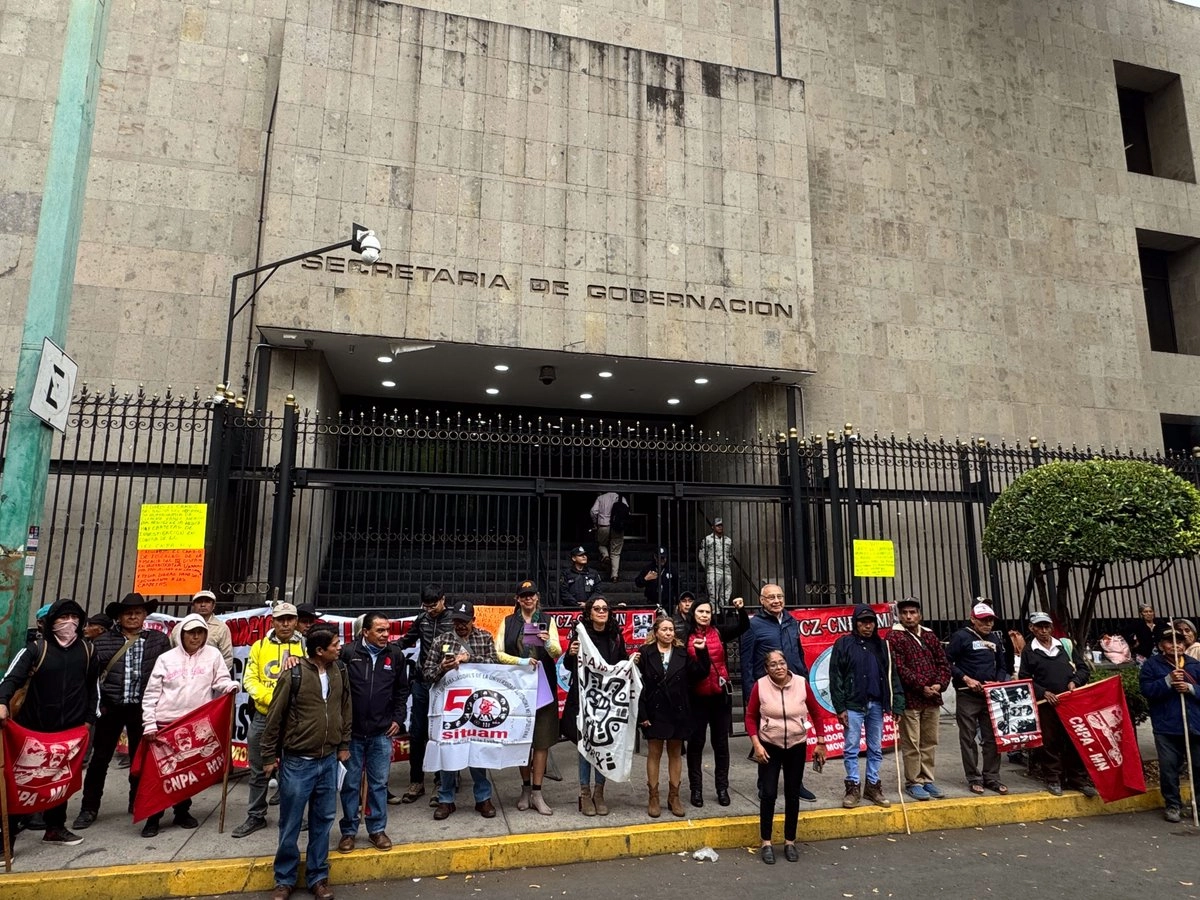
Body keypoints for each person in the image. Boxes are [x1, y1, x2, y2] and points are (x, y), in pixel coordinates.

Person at [261, 626, 351, 900]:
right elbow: (274, 717)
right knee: (289, 823)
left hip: (328, 762)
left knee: (322, 822)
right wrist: (267, 756)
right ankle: (284, 880)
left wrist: (344, 743)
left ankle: (318, 878)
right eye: (335, 644)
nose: (340, 647)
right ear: (320, 651)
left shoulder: (340, 671)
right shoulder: (293, 675)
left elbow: (345, 707)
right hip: (298, 763)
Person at [0, 598, 98, 849]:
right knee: (22, 784)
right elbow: (10, 679)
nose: (68, 623)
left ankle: (55, 828)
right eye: (62, 618)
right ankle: (5, 839)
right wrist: (1, 702)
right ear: (51, 622)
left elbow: (92, 688)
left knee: (60, 783)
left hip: (69, 732)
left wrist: (88, 720)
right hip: (33, 731)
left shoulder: (88, 650)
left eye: (74, 618)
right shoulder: (35, 649)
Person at [74, 591, 170, 831]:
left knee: (142, 758)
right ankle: (89, 807)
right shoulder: (102, 642)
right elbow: (91, 677)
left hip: (142, 708)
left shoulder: (158, 640)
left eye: (138, 612)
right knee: (100, 759)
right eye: (128, 613)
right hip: (110, 707)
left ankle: (137, 801)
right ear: (119, 617)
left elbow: (167, 674)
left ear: (145, 615)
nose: (133, 616)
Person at [140, 613, 240, 836]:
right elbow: (151, 693)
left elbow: (220, 680)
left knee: (186, 773)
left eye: (200, 633)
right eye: (191, 633)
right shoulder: (166, 658)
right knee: (159, 774)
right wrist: (149, 724)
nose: (196, 637)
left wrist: (230, 686)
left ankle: (182, 811)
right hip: (165, 724)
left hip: (194, 724)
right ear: (181, 634)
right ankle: (153, 817)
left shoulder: (213, 655)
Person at [746, 649, 829, 864]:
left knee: (792, 794)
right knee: (769, 793)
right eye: (772, 664)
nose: (778, 667)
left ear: (787, 664)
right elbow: (750, 717)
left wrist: (821, 741)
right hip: (768, 745)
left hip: (796, 745)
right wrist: (756, 744)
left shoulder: (801, 683)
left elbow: (817, 713)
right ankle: (766, 842)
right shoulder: (760, 686)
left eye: (781, 663)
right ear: (766, 669)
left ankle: (790, 841)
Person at [337, 611, 409, 853]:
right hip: (353, 734)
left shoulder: (395, 655)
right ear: (365, 632)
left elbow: (402, 691)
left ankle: (377, 830)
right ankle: (348, 831)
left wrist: (398, 719)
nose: (385, 635)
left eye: (387, 630)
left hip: (381, 733)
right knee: (350, 784)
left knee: (379, 784)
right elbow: (337, 690)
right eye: (379, 630)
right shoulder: (348, 653)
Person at [233, 602, 304, 838]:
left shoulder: (305, 645)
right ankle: (255, 815)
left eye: (289, 619)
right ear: (272, 621)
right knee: (258, 768)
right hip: (264, 714)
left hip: (294, 717)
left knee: (293, 769)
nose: (285, 624)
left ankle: (292, 815)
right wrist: (271, 700)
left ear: (295, 621)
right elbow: (250, 679)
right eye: (280, 619)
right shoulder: (259, 646)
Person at [424, 601, 500, 820]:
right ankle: (446, 799)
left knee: (477, 750)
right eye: (457, 622)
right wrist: (441, 668)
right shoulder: (442, 640)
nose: (460, 626)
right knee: (449, 750)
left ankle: (483, 798)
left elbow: (495, 665)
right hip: (451, 708)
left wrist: (470, 658)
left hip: (478, 705)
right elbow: (426, 674)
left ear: (473, 621)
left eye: (464, 622)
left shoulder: (484, 637)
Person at [496, 580, 562, 815]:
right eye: (523, 595)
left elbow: (557, 652)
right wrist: (520, 661)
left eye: (531, 595)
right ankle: (524, 789)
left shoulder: (547, 621)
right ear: (517, 599)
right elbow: (498, 652)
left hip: (542, 686)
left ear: (537, 597)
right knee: (521, 739)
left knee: (541, 741)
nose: (527, 599)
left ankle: (537, 792)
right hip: (517, 687)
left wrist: (546, 641)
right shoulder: (508, 622)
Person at [830, 604, 905, 809]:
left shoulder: (882, 646)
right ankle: (852, 786)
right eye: (863, 622)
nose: (867, 626)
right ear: (856, 623)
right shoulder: (844, 644)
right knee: (852, 747)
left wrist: (896, 704)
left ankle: (873, 785)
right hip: (853, 705)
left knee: (876, 748)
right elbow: (835, 677)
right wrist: (840, 708)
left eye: (870, 621)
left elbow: (893, 676)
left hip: (877, 704)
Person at [562, 595, 630, 816]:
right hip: (584, 699)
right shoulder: (581, 635)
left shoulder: (615, 636)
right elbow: (570, 666)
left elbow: (622, 661)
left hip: (606, 701)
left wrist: (631, 663)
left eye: (605, 608)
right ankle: (584, 793)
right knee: (585, 747)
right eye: (597, 608)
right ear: (589, 612)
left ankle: (599, 792)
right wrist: (570, 654)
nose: (601, 611)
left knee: (604, 744)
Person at [636, 615, 709, 818]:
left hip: (678, 711)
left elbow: (700, 672)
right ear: (656, 632)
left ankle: (674, 796)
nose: (668, 633)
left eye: (671, 630)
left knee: (675, 752)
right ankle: (653, 796)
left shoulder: (682, 653)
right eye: (664, 629)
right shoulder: (645, 653)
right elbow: (637, 685)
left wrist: (703, 652)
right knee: (654, 752)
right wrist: (642, 714)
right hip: (654, 710)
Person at [682, 595, 748, 808]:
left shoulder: (718, 632)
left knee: (721, 745)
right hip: (697, 698)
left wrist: (741, 609)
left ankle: (722, 788)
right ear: (693, 614)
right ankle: (696, 789)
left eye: (707, 612)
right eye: (700, 611)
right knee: (696, 745)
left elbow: (743, 626)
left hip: (720, 697)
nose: (704, 615)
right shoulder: (685, 635)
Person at [1021, 610, 1095, 798]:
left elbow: (1083, 669)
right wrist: (1043, 692)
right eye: (1039, 627)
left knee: (1074, 739)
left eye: (1046, 626)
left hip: (1070, 702)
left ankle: (1078, 779)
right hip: (1047, 704)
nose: (1043, 631)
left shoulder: (1065, 646)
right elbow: (1024, 677)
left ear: (1052, 628)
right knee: (1050, 741)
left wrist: (1075, 682)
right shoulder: (1029, 650)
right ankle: (1053, 778)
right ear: (1032, 628)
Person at [886, 597, 951, 801]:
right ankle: (913, 781)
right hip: (911, 698)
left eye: (913, 612)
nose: (909, 616)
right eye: (904, 613)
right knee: (911, 742)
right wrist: (922, 686)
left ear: (919, 614)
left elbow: (943, 663)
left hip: (933, 698)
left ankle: (927, 779)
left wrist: (939, 685)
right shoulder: (894, 637)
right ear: (899, 615)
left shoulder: (930, 635)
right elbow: (899, 668)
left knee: (929, 740)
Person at [946, 600, 1009, 795]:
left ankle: (992, 776)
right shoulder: (961, 637)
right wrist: (966, 678)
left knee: (991, 738)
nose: (988, 624)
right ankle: (973, 777)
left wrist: (998, 681)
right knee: (968, 737)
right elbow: (946, 662)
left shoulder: (995, 639)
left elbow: (1002, 665)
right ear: (973, 619)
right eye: (983, 620)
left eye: (990, 620)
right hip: (967, 694)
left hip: (990, 695)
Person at [398, 584, 452, 805]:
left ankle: (441, 783)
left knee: (441, 733)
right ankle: (416, 781)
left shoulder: (453, 618)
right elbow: (407, 640)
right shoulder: (422, 620)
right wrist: (385, 647)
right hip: (422, 682)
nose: (430, 610)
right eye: (426, 606)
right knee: (417, 732)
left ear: (443, 600)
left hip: (446, 684)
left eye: (434, 605)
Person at [1140, 627, 1200, 823]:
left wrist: (1190, 688)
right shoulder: (1151, 666)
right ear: (1161, 646)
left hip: (1194, 725)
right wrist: (1167, 681)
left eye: (1180, 642)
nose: (1176, 645)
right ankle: (1173, 805)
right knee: (1168, 768)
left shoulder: (1194, 665)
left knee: (1198, 766)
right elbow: (1147, 690)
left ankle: (1197, 805)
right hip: (1166, 726)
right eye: (1170, 641)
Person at [740, 583, 807, 687]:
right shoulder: (753, 625)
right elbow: (747, 663)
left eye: (779, 597)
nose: (776, 601)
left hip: (794, 683)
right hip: (768, 686)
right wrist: (750, 694)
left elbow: (799, 653)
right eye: (771, 597)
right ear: (762, 600)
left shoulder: (791, 621)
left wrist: (804, 678)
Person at [170, 589, 233, 672]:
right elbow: (170, 653)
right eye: (199, 602)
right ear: (194, 605)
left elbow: (227, 658)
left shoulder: (221, 628)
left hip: (209, 678)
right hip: (181, 675)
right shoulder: (179, 627)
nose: (203, 605)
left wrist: (216, 678)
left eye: (207, 602)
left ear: (213, 605)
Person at [590, 489, 629, 582]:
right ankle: (614, 576)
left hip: (603, 526)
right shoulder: (621, 498)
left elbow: (593, 511)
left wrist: (596, 522)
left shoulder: (601, 498)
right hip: (617, 527)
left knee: (601, 544)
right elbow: (627, 511)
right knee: (616, 552)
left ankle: (605, 556)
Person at [699, 518, 733, 606]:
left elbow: (730, 555)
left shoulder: (728, 540)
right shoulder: (707, 540)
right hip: (713, 569)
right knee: (713, 595)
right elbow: (702, 555)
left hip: (726, 570)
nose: (720, 527)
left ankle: (724, 614)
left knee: (726, 594)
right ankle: (715, 615)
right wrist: (707, 567)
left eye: (721, 525)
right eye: (718, 525)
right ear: (713, 527)